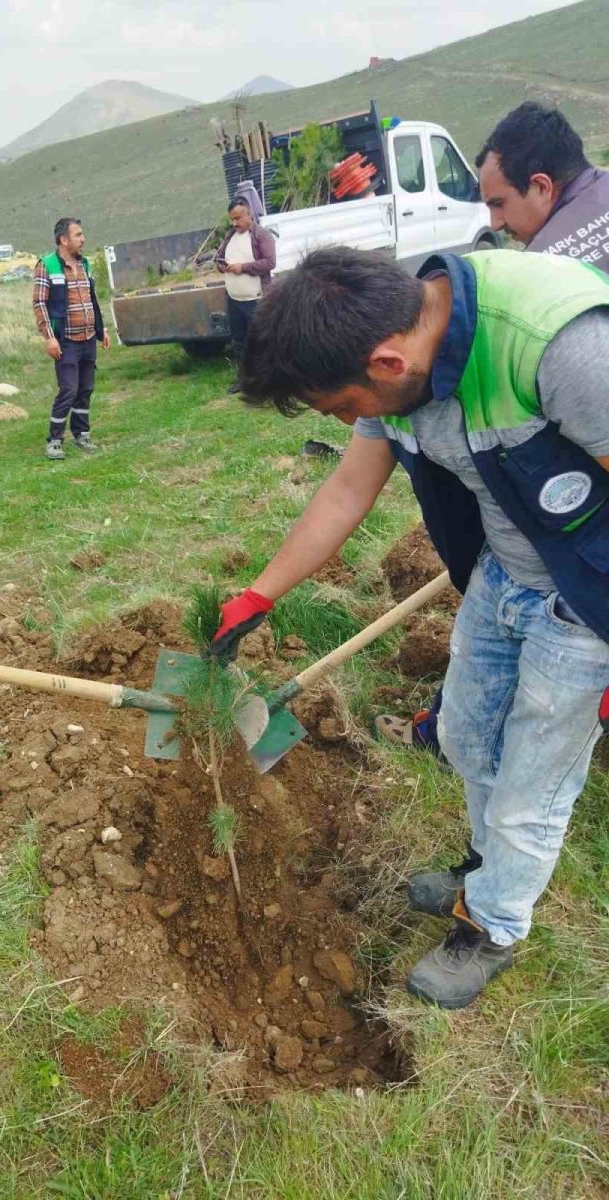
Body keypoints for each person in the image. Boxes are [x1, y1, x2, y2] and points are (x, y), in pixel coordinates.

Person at [211, 245, 609, 1009]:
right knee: (463, 733)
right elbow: (347, 490)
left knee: (533, 781)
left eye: (343, 408)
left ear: (388, 363)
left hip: (589, 593)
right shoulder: (392, 353)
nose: (349, 424)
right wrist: (259, 595)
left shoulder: (557, 344)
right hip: (504, 571)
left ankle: (493, 927)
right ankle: (485, 869)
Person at [377, 101, 609, 755]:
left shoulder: (550, 277)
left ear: (543, 186)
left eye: (501, 205)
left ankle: (452, 727)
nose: (494, 223)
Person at [33, 217, 110, 461]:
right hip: (65, 341)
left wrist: (101, 329)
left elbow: (91, 300)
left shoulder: (85, 265)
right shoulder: (46, 265)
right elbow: (39, 303)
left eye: (82, 234)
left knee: (86, 389)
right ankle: (55, 440)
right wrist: (49, 337)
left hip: (87, 338)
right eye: (78, 235)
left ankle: (82, 434)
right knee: (68, 389)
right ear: (63, 239)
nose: (83, 239)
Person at [214, 197, 276, 393]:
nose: (234, 223)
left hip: (256, 299)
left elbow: (269, 262)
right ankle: (244, 381)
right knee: (239, 342)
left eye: (238, 218)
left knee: (262, 341)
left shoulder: (261, 235)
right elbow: (219, 257)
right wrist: (221, 265)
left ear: (249, 214)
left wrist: (243, 267)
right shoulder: (230, 236)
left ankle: (270, 381)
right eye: (232, 219)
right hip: (233, 298)